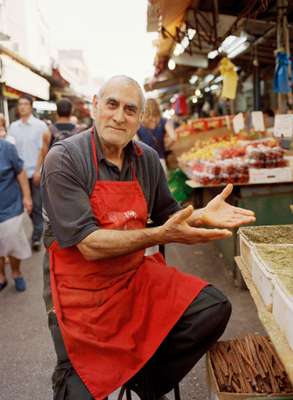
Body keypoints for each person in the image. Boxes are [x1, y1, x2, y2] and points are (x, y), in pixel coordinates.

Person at [41, 75, 255, 400]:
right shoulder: (65, 159)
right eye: (112, 104)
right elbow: (89, 244)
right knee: (79, 386)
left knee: (211, 308)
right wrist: (160, 233)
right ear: (96, 106)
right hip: (79, 288)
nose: (119, 116)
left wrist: (197, 215)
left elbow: (167, 213)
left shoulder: (147, 160)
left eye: (130, 110)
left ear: (140, 119)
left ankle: (145, 382)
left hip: (131, 275)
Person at [8, 95, 49, 251]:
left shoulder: (40, 126)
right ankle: (16, 239)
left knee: (37, 207)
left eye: (25, 104)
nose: (22, 107)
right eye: (20, 104)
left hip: (34, 173)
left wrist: (39, 170)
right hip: (18, 174)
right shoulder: (13, 127)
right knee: (21, 208)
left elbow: (43, 150)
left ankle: (36, 237)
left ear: (31, 107)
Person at [0, 137, 32, 291]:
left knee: (12, 242)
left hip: (10, 207)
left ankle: (16, 272)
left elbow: (20, 172)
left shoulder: (7, 148)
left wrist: (27, 196)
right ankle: (1, 276)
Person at [137, 98, 175, 174]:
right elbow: (174, 137)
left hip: (144, 162)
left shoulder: (139, 125)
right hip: (160, 159)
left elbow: (136, 144)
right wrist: (165, 147)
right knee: (162, 183)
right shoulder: (163, 121)